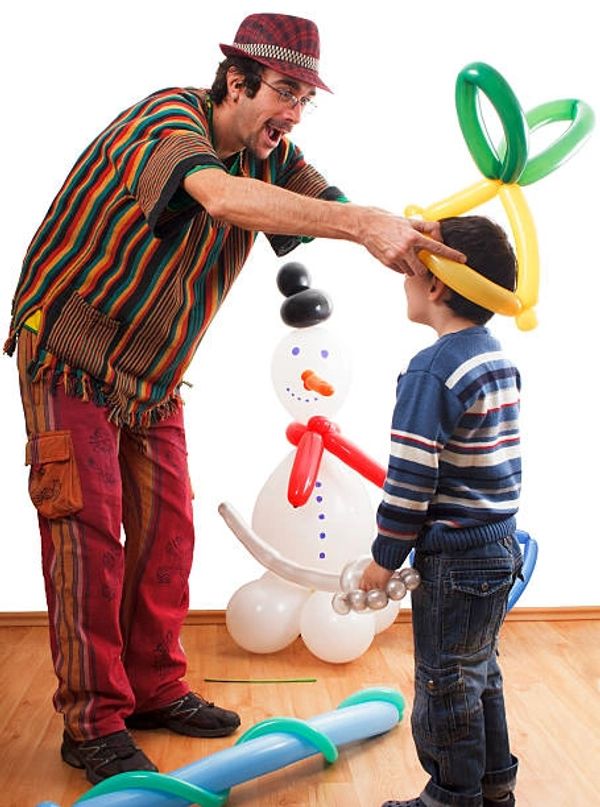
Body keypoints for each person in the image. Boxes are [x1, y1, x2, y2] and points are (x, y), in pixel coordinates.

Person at [4, 12, 466, 786]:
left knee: (169, 530)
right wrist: (361, 223)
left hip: (149, 374)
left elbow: (332, 209)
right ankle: (92, 723)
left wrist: (408, 241)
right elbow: (218, 199)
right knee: (88, 536)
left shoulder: (271, 153)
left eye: (304, 98)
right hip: (69, 352)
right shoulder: (168, 122)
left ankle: (152, 689)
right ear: (236, 81)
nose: (292, 111)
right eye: (283, 90)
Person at [359, 216, 523, 807]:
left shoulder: (432, 371)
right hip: (498, 545)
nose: (404, 278)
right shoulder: (493, 357)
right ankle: (493, 785)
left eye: (411, 269)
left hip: (455, 559)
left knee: (445, 682)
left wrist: (384, 558)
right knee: (481, 675)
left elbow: (410, 480)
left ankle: (451, 797)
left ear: (435, 286)